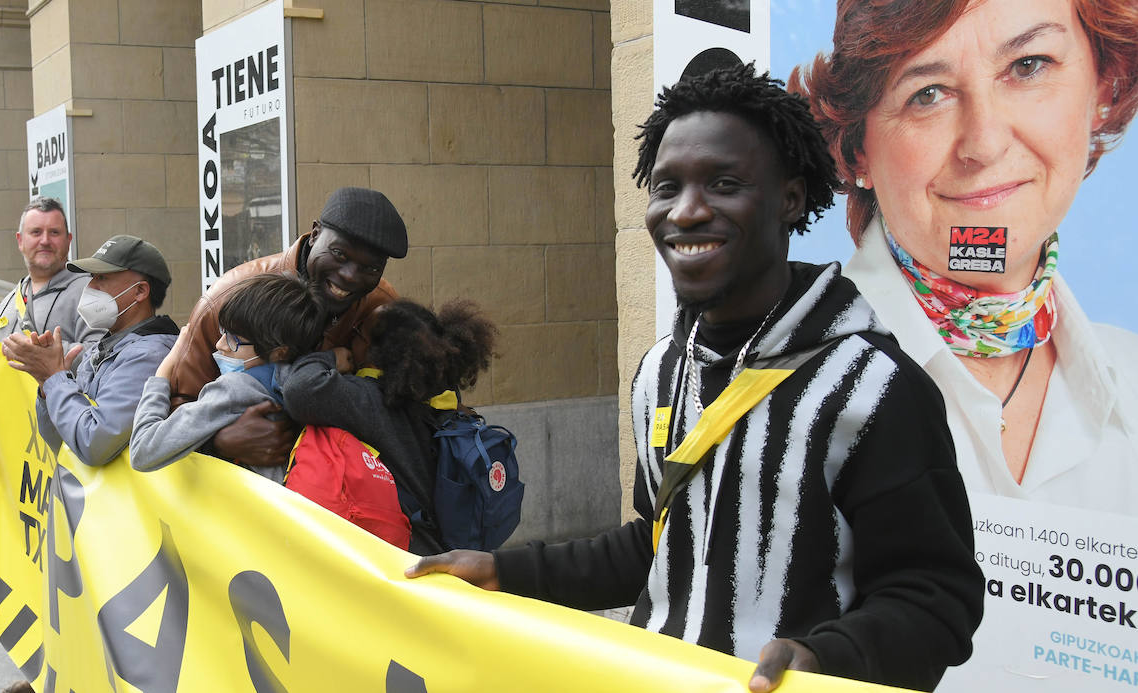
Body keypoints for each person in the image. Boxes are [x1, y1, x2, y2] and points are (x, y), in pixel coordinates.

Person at [407, 64, 984, 692]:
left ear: (790, 198)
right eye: (666, 187)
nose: (686, 212)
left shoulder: (873, 389)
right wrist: (502, 571)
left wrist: (827, 658)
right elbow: (660, 547)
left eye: (725, 183)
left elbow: (936, 601)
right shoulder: (660, 372)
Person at [791, 0, 1138, 512]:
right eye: (927, 94)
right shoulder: (780, 385)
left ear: (1103, 87)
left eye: (1028, 66)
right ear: (858, 147)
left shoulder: (1131, 374)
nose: (985, 143)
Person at [168, 187, 405, 469]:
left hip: (335, 486)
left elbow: (397, 408)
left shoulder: (381, 308)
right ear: (315, 233)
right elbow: (180, 400)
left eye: (370, 269)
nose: (349, 276)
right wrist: (218, 441)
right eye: (340, 254)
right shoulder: (231, 297)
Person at [284, 298, 497, 556]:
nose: (351, 339)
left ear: (374, 353)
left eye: (357, 333)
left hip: (407, 559)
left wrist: (330, 358)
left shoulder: (370, 401)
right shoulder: (442, 399)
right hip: (444, 550)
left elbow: (300, 390)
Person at [3, 234, 177, 467]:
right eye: (92, 277)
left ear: (140, 292)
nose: (90, 287)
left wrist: (55, 379)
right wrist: (48, 386)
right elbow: (62, 442)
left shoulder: (149, 355)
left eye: (102, 278)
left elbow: (93, 444)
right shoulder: (105, 347)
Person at [130, 272, 325, 475]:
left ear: (279, 352)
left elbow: (143, 450)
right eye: (223, 331)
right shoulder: (302, 378)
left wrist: (162, 375)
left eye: (234, 339)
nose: (220, 344)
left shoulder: (233, 390)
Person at [0, 197, 102, 493]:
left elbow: (103, 362)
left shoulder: (91, 293)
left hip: (70, 455)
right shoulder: (3, 309)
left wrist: (49, 358)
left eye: (54, 233)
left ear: (68, 240)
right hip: (17, 460)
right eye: (36, 232)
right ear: (20, 240)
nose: (45, 240)